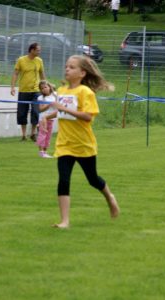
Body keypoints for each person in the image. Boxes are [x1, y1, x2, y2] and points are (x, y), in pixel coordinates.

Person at [44, 55, 120, 228]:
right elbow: (62, 112)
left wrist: (63, 108)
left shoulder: (86, 93)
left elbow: (87, 116)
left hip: (84, 144)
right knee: (63, 180)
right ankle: (64, 221)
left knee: (92, 179)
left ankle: (110, 197)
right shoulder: (62, 91)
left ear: (82, 73)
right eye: (66, 66)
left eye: (72, 67)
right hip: (64, 144)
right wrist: (47, 117)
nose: (67, 69)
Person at [10, 42, 46, 142]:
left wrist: (45, 86)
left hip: (36, 90)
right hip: (23, 90)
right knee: (22, 113)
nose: (39, 52)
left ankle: (33, 133)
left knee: (35, 112)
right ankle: (23, 135)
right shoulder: (21, 60)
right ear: (32, 50)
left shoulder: (39, 61)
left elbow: (42, 74)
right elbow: (16, 74)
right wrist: (12, 87)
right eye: (38, 50)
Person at [36, 80, 56, 158]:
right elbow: (40, 109)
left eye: (45, 87)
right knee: (42, 135)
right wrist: (48, 105)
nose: (44, 89)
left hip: (51, 118)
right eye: (42, 88)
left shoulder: (55, 95)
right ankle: (41, 152)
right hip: (42, 119)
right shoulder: (40, 98)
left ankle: (45, 151)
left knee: (48, 136)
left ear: (49, 87)